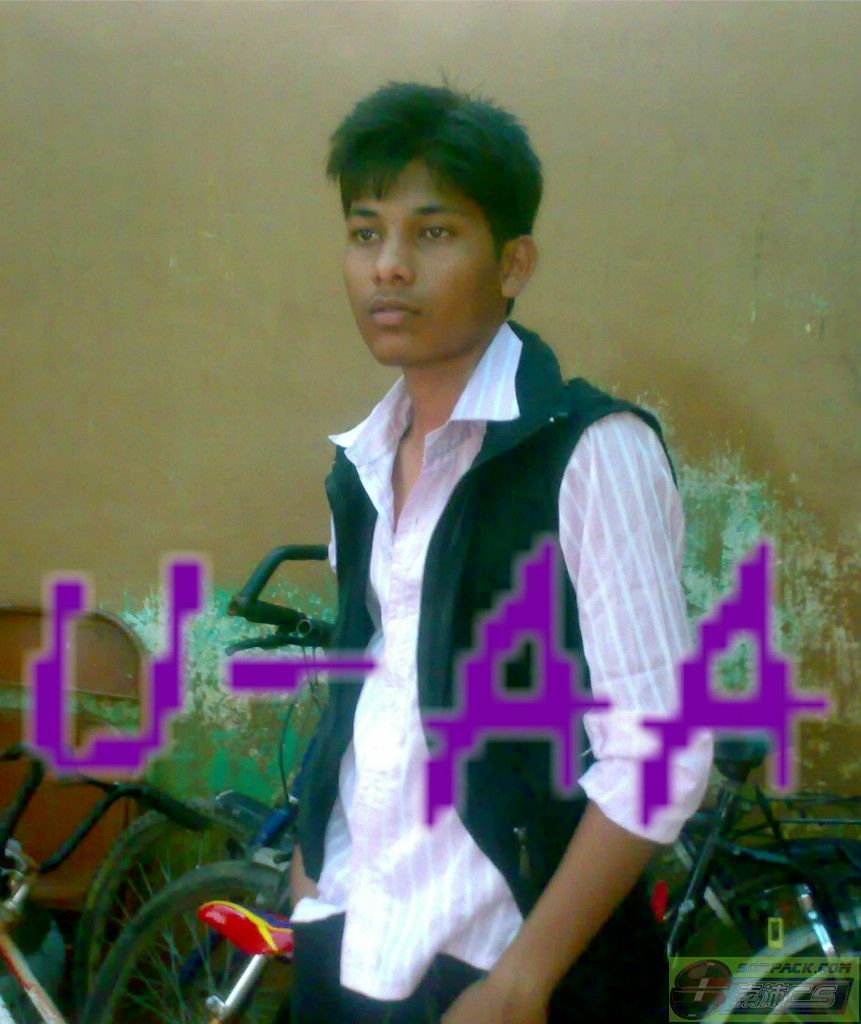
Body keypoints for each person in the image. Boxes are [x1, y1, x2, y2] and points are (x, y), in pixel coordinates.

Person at [285, 80, 714, 1023]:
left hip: (498, 964)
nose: (388, 267)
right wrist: (313, 864)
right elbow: (374, 680)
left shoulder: (590, 454)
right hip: (345, 936)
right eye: (365, 233)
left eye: (433, 233)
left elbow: (661, 752)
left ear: (512, 262)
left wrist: (524, 977)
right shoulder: (360, 464)